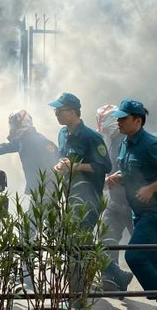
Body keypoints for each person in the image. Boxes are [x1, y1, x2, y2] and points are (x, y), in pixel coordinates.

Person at [105, 99, 157, 310]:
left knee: (134, 255)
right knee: (156, 258)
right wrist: (118, 177)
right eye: (118, 118)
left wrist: (151, 188)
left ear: (138, 121)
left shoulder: (153, 144)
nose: (118, 122)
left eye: (123, 118)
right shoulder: (125, 143)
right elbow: (132, 170)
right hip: (140, 212)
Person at [49, 92, 111, 227]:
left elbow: (104, 166)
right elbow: (63, 157)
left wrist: (76, 167)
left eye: (59, 111)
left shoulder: (91, 137)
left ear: (72, 112)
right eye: (55, 111)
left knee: (81, 237)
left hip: (88, 202)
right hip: (69, 198)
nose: (56, 115)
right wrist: (59, 166)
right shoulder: (63, 133)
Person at [96, 103, 134, 293]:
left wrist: (111, 179)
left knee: (144, 249)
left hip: (134, 205)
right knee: (106, 240)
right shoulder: (112, 141)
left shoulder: (127, 141)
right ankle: (110, 279)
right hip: (115, 202)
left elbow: (133, 168)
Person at [0, 109, 58, 195]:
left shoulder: (40, 141)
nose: (13, 128)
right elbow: (3, 148)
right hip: (37, 188)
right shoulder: (23, 141)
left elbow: (55, 163)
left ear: (23, 123)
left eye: (14, 124)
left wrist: (49, 188)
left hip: (45, 189)